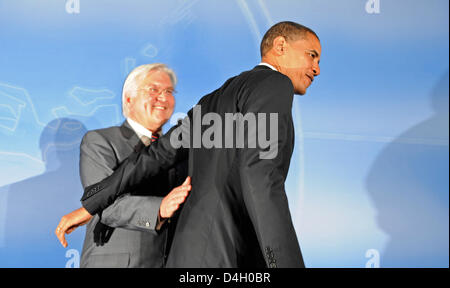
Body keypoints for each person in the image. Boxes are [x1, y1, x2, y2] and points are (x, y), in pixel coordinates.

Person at [59, 21, 321, 268]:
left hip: (187, 256)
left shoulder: (212, 100)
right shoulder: (274, 83)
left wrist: (91, 204)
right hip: (228, 254)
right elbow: (261, 176)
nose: (317, 68)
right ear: (281, 46)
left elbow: (154, 156)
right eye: (312, 55)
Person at [55, 63, 190, 268]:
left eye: (169, 91)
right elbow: (101, 203)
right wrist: (160, 209)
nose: (163, 97)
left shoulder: (183, 150)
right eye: (153, 90)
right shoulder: (100, 141)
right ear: (129, 98)